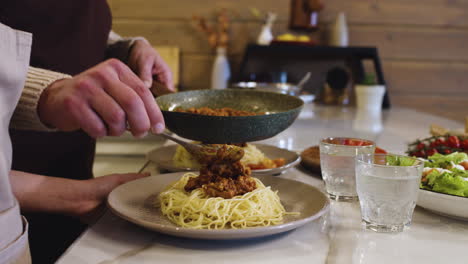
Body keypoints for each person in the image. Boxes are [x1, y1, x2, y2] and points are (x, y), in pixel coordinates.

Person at [0, 1, 175, 262]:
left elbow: (61, 23)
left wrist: (122, 49)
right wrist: (48, 94)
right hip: (20, 194)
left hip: (73, 177)